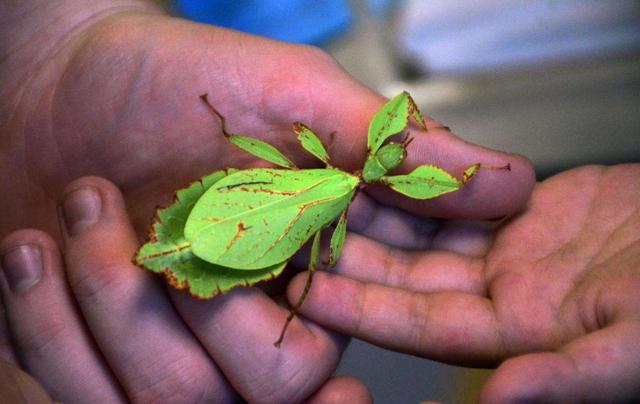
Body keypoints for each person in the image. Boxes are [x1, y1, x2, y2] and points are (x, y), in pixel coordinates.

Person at [0, 1, 637, 402]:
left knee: (302, 268)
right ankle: (187, 250)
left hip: (281, 202)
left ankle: (188, 253)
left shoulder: (336, 159)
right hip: (285, 209)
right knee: (308, 266)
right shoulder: (349, 166)